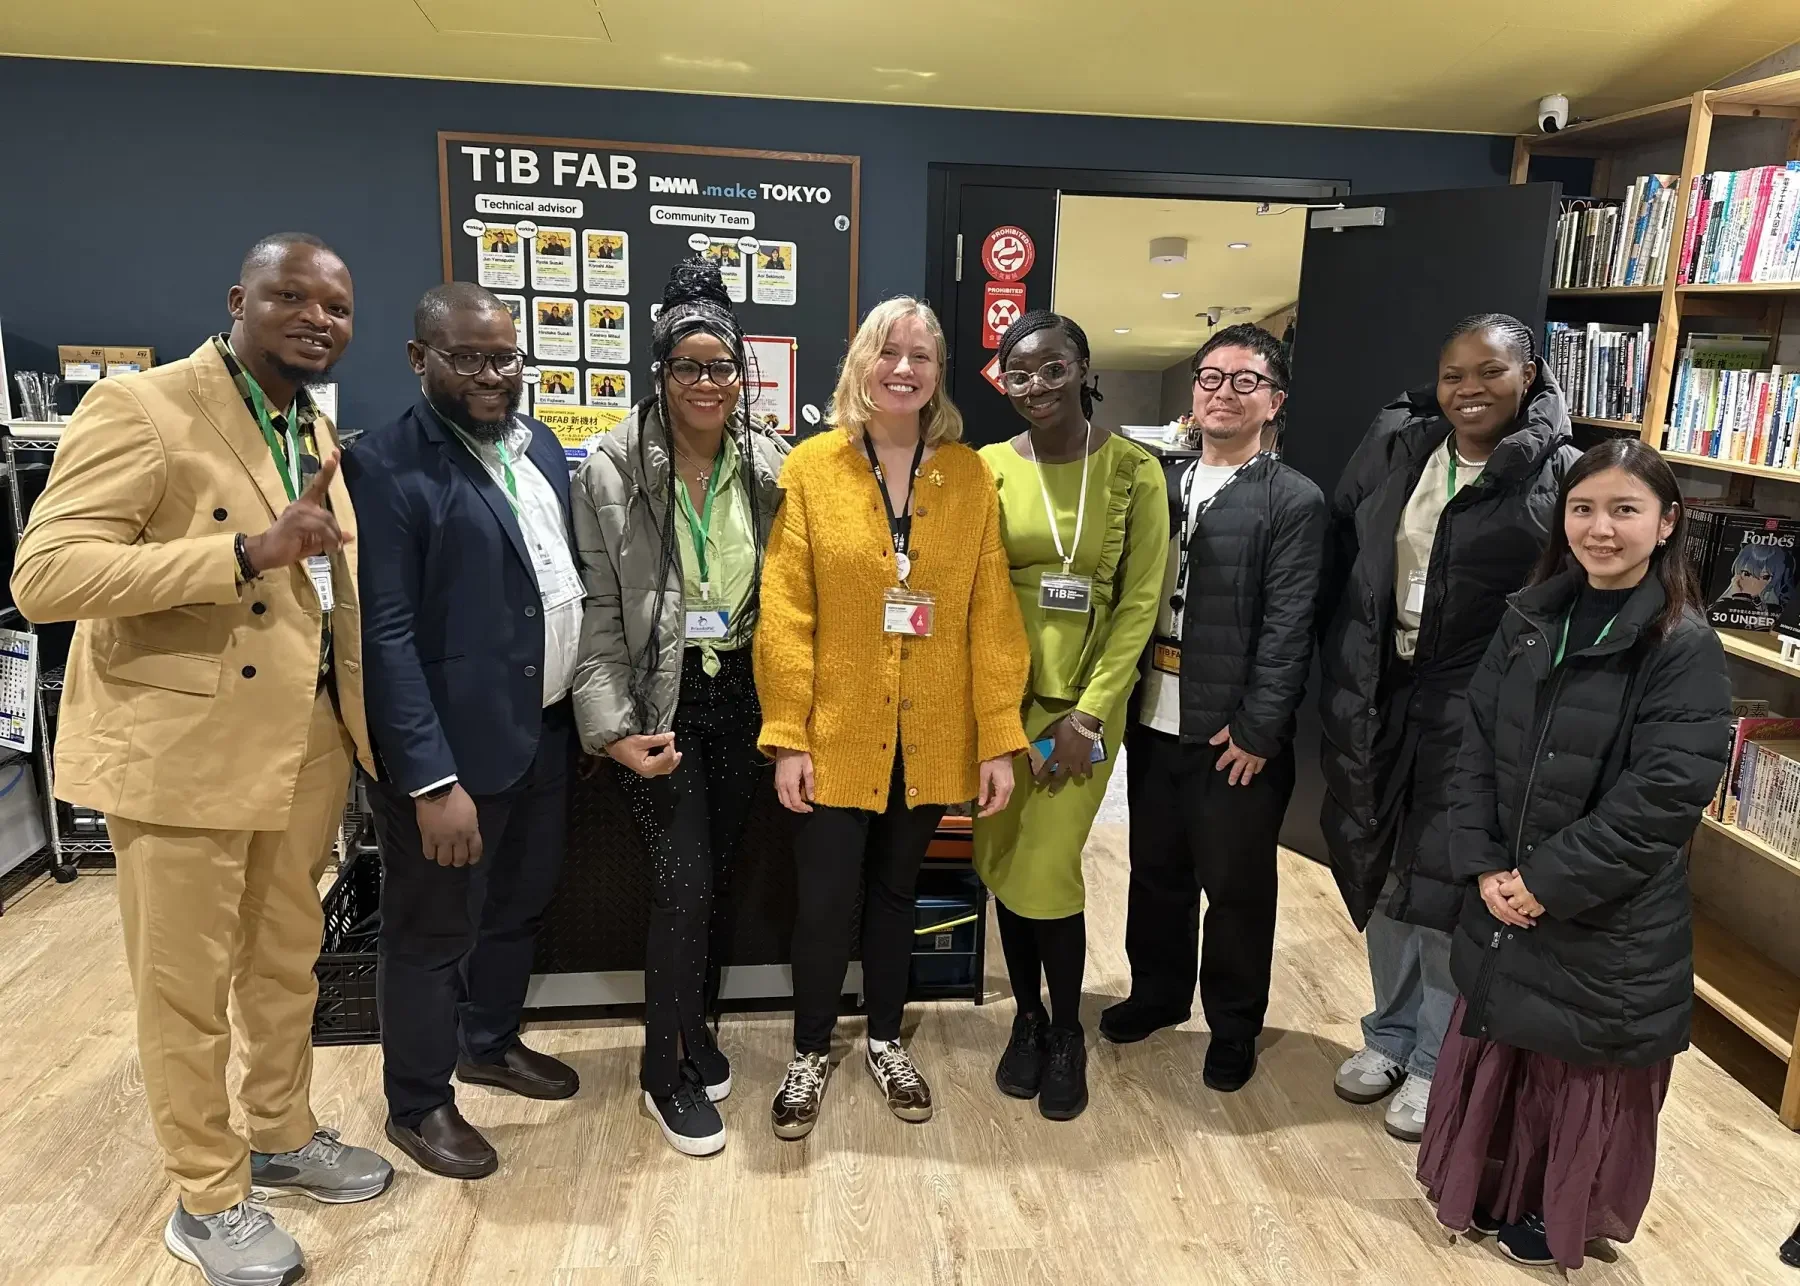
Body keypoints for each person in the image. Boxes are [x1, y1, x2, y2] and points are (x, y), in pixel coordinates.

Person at [10, 232, 393, 1285]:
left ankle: (279, 1127)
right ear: (238, 299)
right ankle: (207, 1194)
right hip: (181, 750)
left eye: (337, 305)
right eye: (293, 296)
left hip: (300, 744)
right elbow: (46, 573)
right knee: (182, 985)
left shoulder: (308, 423)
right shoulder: (142, 408)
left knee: (283, 961)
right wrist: (241, 554)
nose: (319, 317)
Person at [1419, 439, 1730, 1270]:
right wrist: (1487, 864)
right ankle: (1490, 1185)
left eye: (1625, 510)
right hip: (1506, 894)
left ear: (1667, 524)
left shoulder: (1684, 645)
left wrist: (1544, 884)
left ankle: (1558, 1211)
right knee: (1508, 1045)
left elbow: (1663, 798)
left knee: (1577, 1065)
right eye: (1584, 508)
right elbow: (1474, 741)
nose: (1601, 528)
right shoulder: (1530, 616)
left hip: (1605, 916)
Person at [755, 297, 1029, 1141]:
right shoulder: (813, 468)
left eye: (922, 356)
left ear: (939, 373)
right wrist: (789, 735)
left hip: (933, 732)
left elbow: (990, 612)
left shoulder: (970, 475)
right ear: (861, 365)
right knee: (823, 900)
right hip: (836, 731)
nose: (904, 369)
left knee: (895, 894)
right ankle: (808, 1051)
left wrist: (997, 738)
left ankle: (881, 1039)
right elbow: (786, 611)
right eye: (889, 353)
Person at [1317, 313, 1579, 1142]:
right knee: (1381, 863)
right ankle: (1387, 1036)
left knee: (1445, 881)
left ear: (1529, 375)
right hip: (1384, 690)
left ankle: (1436, 1059)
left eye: (1490, 372)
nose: (1469, 389)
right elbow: (1345, 544)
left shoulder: (1563, 472)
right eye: (1453, 374)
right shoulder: (1401, 449)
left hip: (1481, 707)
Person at [344, 282, 580, 1181]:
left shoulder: (543, 447)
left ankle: (488, 1040)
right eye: (468, 357)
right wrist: (429, 780)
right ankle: (419, 1099)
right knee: (432, 931)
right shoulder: (386, 467)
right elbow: (385, 636)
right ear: (420, 360)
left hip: (543, 733)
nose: (492, 374)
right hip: (451, 760)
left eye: (505, 356)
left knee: (517, 907)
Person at [571, 259, 787, 1157]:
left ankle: (694, 1033)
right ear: (659, 372)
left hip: (743, 688)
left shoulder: (770, 460)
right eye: (689, 366)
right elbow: (599, 610)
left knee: (721, 877)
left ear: (744, 373)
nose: (708, 383)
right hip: (661, 696)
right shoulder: (613, 464)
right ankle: (662, 1070)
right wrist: (614, 729)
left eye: (723, 366)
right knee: (682, 885)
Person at [1101, 324, 1326, 1094]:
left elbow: (1291, 623)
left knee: (1235, 888)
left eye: (1244, 380)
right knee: (1154, 870)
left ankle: (1233, 1025)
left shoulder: (1293, 500)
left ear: (1275, 401)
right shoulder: (1157, 482)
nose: (1222, 392)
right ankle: (1157, 995)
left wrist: (1261, 727)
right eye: (1209, 377)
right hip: (1153, 717)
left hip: (1235, 737)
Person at [975, 310, 1168, 1121]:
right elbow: (973, 591)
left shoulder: (1134, 471)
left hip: (1080, 708)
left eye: (1052, 368)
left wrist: (1090, 715)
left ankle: (1065, 1032)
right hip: (999, 702)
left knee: (1047, 871)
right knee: (1006, 864)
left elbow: (1140, 603)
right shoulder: (986, 467)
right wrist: (984, 710)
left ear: (1082, 367)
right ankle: (1025, 1017)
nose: (1035, 386)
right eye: (1018, 373)